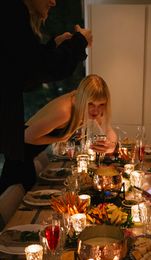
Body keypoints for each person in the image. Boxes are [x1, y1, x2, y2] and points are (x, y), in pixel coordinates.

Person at [1, 0, 92, 163]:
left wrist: (53, 47)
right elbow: (35, 71)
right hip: (19, 156)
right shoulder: (11, 11)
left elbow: (25, 68)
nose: (53, 2)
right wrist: (79, 43)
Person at [0, 74, 117, 192]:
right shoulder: (64, 112)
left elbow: (107, 129)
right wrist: (61, 138)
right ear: (83, 99)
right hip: (19, 155)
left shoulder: (83, 102)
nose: (96, 110)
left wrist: (110, 144)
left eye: (101, 104)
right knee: (12, 200)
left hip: (29, 155)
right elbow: (25, 137)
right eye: (91, 104)